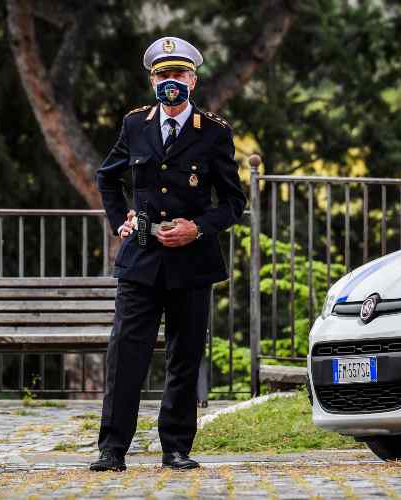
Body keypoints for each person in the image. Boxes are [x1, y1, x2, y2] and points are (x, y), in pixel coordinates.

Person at [89, 36, 246, 472]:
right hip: (140, 258)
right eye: (162, 75)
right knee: (126, 355)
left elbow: (234, 202)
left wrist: (198, 227)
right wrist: (120, 218)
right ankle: (112, 449)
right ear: (151, 80)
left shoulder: (213, 132)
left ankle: (175, 447)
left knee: (184, 355)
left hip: (191, 262)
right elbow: (107, 178)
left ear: (192, 80)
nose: (169, 83)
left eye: (177, 75)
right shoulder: (135, 124)